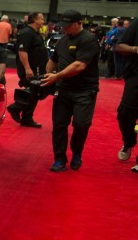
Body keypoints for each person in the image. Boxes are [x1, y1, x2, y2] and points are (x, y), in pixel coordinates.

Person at [41, 10, 100, 172]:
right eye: (63, 26)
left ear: (78, 23)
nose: (64, 29)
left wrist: (56, 76)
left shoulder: (89, 39)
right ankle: (59, 158)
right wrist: (46, 76)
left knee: (81, 124)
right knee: (59, 125)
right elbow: (53, 61)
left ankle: (77, 153)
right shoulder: (62, 41)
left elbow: (79, 66)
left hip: (85, 90)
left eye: (68, 26)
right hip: (63, 90)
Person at [8, 12, 47, 128]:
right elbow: (22, 51)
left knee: (35, 92)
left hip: (38, 68)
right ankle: (15, 108)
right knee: (34, 91)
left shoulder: (35, 33)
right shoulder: (26, 33)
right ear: (34, 19)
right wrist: (27, 69)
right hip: (30, 69)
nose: (43, 21)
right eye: (42, 18)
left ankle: (27, 117)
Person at [114, 19, 138, 172]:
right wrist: (136, 49)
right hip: (136, 75)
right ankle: (129, 142)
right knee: (124, 114)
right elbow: (119, 46)